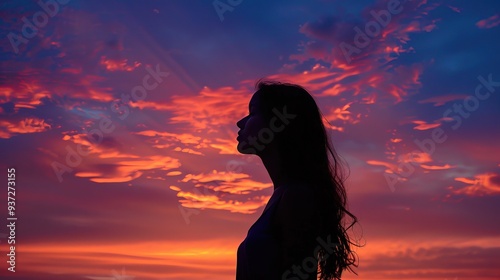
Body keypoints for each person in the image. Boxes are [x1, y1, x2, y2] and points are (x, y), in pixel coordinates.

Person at [235, 80, 360, 280]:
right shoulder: (284, 195)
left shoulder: (296, 196)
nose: (240, 122)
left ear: (278, 123)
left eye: (252, 113)